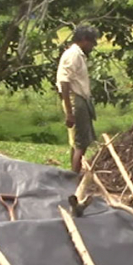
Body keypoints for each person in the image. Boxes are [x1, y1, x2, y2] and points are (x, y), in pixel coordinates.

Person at [56, 25, 100, 173]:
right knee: (81, 143)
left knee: (78, 142)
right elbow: (64, 82)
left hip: (81, 99)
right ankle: (74, 177)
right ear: (83, 40)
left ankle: (73, 173)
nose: (92, 46)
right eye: (92, 42)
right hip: (76, 100)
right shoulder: (73, 54)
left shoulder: (78, 54)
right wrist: (69, 112)